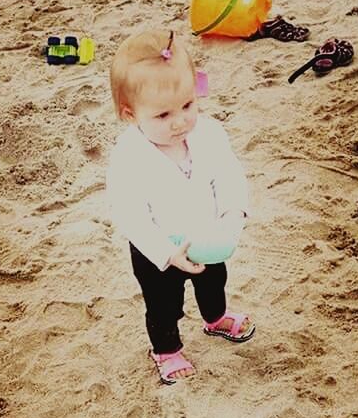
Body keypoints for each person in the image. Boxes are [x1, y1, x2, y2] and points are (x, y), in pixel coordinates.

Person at [106, 29, 255, 385]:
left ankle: (215, 317)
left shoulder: (208, 134)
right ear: (131, 114)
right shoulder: (129, 157)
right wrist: (166, 253)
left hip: (207, 232)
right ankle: (166, 349)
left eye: (188, 105)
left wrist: (233, 212)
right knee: (162, 304)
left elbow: (229, 174)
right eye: (162, 115)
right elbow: (130, 214)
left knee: (213, 280)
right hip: (159, 247)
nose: (180, 121)